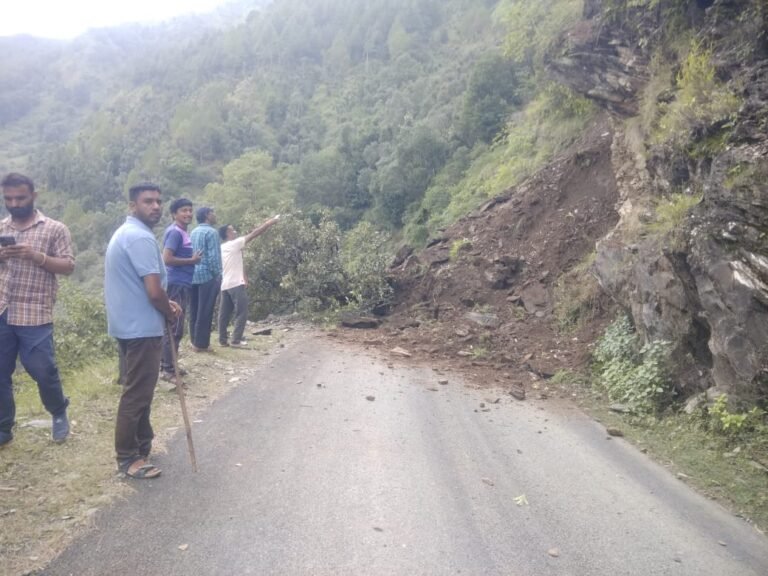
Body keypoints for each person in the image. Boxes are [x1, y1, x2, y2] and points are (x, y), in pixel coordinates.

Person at [104, 182, 181, 478]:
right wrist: (170, 311)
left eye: (159, 201)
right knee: (137, 394)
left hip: (128, 325)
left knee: (141, 390)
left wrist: (166, 303)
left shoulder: (127, 234)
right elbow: (153, 291)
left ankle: (141, 446)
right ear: (132, 205)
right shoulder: (140, 238)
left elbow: (145, 287)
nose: (156, 206)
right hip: (141, 328)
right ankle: (127, 458)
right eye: (148, 201)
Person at [0, 173, 75, 447]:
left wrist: (36, 256)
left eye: (20, 197)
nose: (14, 203)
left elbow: (68, 266)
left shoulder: (55, 229)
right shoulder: (1, 228)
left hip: (35, 312)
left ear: (33, 195)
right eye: (8, 198)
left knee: (43, 370)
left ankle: (57, 412)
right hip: (2, 310)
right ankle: (4, 428)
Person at [218, 216, 279, 347]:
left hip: (225, 284)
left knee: (224, 314)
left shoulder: (222, 247)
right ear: (227, 234)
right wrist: (269, 223)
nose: (235, 232)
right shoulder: (234, 244)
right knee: (242, 311)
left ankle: (222, 340)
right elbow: (254, 234)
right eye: (232, 230)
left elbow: (237, 262)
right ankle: (236, 340)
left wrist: (244, 276)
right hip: (235, 284)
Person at [159, 198, 201, 382]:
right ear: (174, 214)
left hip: (183, 283)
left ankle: (171, 365)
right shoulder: (175, 233)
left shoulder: (184, 233)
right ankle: (168, 370)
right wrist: (191, 261)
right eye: (184, 210)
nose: (188, 214)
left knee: (177, 327)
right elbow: (167, 259)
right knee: (173, 327)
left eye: (190, 210)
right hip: (175, 284)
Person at [189, 206, 221, 351]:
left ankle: (193, 340)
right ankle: (201, 344)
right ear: (208, 215)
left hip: (193, 275)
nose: (215, 215)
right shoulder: (212, 232)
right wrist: (217, 274)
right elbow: (214, 257)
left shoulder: (193, 232)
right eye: (213, 212)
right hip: (207, 276)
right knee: (205, 310)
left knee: (194, 309)